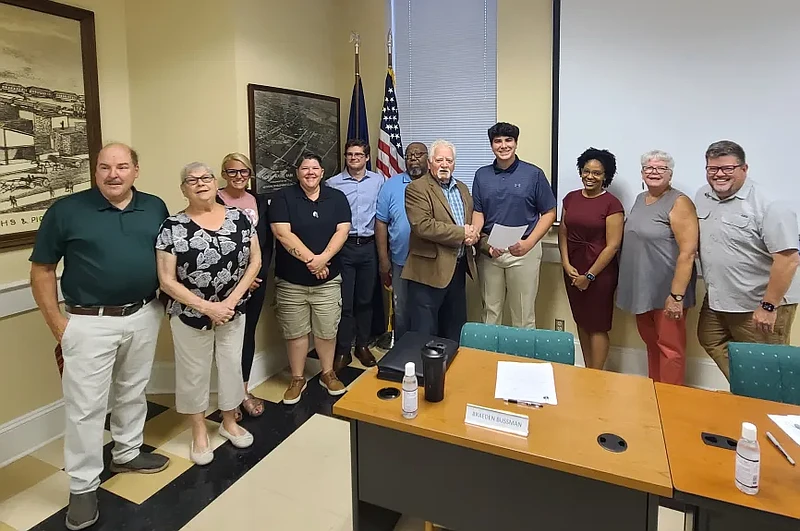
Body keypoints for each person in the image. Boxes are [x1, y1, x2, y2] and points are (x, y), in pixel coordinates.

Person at [29, 143, 170, 531]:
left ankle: (127, 451)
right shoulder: (66, 211)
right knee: (85, 407)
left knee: (132, 389)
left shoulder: (155, 207)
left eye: (122, 166)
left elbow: (170, 257)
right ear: (95, 171)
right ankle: (83, 485)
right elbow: (42, 269)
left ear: (136, 171)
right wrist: (58, 324)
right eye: (104, 167)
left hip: (143, 313)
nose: (113, 174)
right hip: (88, 322)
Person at [156, 162, 261, 465]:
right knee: (193, 373)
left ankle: (229, 421)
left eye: (206, 178)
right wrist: (207, 307)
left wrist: (230, 303)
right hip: (189, 314)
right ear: (183, 189)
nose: (201, 183)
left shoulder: (239, 218)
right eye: (192, 180)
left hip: (233, 310)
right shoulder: (172, 226)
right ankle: (199, 431)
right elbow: (166, 279)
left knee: (231, 366)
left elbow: (255, 261)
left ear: (216, 183)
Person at [696, 140, 799, 380]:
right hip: (719, 298)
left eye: (727, 168)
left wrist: (768, 306)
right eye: (713, 169)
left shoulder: (770, 205)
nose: (719, 174)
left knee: (767, 368)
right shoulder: (703, 195)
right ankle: (747, 390)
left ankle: (767, 406)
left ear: (744, 168)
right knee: (710, 338)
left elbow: (788, 260)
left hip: (758, 303)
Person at [270, 153, 351, 404]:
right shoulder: (283, 198)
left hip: (328, 280)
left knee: (327, 331)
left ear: (322, 172)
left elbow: (343, 230)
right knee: (296, 332)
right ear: (298, 173)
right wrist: (313, 262)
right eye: (305, 168)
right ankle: (297, 378)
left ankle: (328, 373)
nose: (310, 172)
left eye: (315, 168)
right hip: (291, 282)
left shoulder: (336, 197)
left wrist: (323, 259)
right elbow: (282, 234)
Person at [617, 150, 698, 385]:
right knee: (652, 343)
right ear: (642, 173)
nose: (654, 172)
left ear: (670, 175)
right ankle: (656, 395)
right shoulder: (640, 199)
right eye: (648, 168)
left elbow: (688, 252)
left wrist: (676, 296)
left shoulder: (679, 202)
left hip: (668, 291)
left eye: (660, 168)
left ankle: (670, 401)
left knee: (670, 349)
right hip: (642, 288)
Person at [472, 122, 557, 327]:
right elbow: (478, 211)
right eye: (497, 141)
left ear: (516, 143)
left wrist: (528, 244)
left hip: (524, 251)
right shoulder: (482, 175)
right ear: (492, 145)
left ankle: (522, 359)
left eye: (508, 140)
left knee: (523, 315)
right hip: (491, 251)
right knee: (490, 313)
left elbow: (549, 212)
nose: (503, 145)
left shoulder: (533, 174)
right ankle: (488, 358)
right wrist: (477, 236)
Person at [216, 152, 274, 420]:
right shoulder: (213, 200)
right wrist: (240, 280)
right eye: (232, 172)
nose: (238, 177)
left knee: (246, 334)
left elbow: (266, 244)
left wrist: (256, 276)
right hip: (224, 285)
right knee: (225, 340)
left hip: (256, 280)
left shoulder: (259, 201)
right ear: (223, 174)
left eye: (243, 172)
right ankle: (226, 398)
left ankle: (242, 391)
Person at [403, 139, 477, 342]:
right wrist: (463, 233)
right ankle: (423, 373)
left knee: (454, 330)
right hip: (428, 272)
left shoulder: (462, 188)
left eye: (449, 160)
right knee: (424, 332)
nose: (444, 164)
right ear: (430, 163)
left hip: (458, 269)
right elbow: (423, 225)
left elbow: (469, 225)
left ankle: (451, 372)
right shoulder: (417, 188)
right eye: (439, 159)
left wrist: (483, 240)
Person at [558, 148, 624, 369]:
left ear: (606, 176)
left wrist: (589, 275)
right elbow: (563, 232)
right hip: (572, 269)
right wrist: (566, 264)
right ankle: (587, 372)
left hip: (599, 273)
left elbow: (613, 245)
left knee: (597, 325)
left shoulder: (612, 204)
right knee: (581, 321)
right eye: (586, 171)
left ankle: (597, 375)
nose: (590, 176)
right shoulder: (570, 198)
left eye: (597, 173)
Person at [326, 139, 383, 371]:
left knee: (365, 300)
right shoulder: (333, 183)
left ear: (367, 158)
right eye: (350, 155)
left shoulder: (379, 181)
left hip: (369, 246)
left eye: (359, 155)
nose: (354, 158)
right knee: (345, 302)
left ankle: (362, 345)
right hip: (344, 247)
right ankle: (342, 350)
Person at [375, 142, 428, 340]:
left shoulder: (438, 184)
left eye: (418, 154)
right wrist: (383, 259)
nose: (413, 158)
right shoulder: (391, 185)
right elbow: (380, 223)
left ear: (428, 158)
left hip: (432, 262)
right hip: (400, 260)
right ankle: (403, 353)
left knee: (427, 309)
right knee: (402, 309)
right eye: (409, 155)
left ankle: (428, 351)